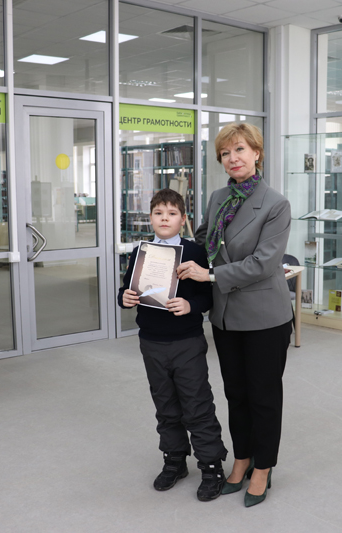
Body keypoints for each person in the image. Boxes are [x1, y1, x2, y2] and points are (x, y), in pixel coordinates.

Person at [177, 123, 293, 508]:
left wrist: (210, 275)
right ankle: (242, 457)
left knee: (264, 396)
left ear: (257, 153)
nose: (233, 158)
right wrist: (165, 247)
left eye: (240, 149)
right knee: (235, 393)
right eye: (225, 153)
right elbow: (202, 243)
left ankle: (264, 467)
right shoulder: (218, 197)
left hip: (264, 317)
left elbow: (263, 263)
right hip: (226, 316)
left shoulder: (275, 204)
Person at [118, 188, 228, 502]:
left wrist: (191, 306)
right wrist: (124, 298)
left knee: (197, 405)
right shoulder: (140, 252)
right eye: (158, 213)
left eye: (171, 213)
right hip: (151, 342)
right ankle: (175, 460)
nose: (164, 219)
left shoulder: (194, 252)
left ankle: (211, 466)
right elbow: (127, 288)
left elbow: (207, 296)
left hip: (186, 342)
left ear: (183, 219)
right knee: (165, 406)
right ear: (150, 218)